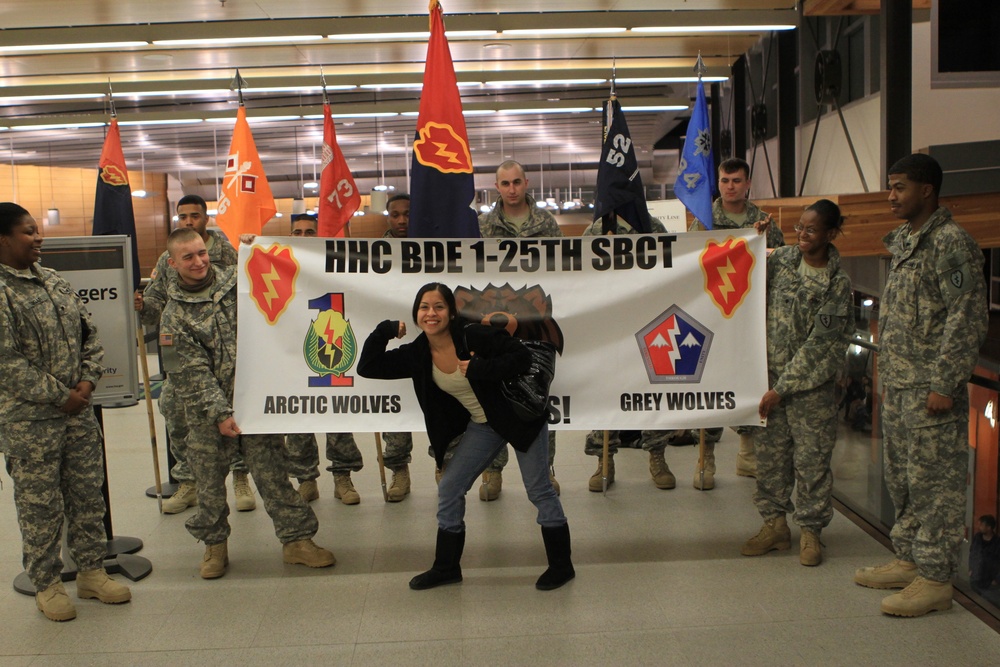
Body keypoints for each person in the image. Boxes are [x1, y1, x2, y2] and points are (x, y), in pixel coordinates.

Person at [358, 282, 574, 591]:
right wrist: (385, 330)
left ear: (452, 312)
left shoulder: (473, 335)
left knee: (538, 489)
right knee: (449, 487)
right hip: (483, 425)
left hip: (519, 417)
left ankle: (562, 566)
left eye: (439, 307)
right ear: (416, 313)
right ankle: (446, 567)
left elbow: (521, 358)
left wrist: (480, 367)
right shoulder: (418, 353)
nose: (431, 313)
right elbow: (368, 367)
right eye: (424, 307)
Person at [854, 153, 988, 617]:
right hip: (901, 387)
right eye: (890, 187)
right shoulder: (909, 242)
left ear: (926, 190)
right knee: (904, 480)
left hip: (932, 390)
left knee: (936, 485)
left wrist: (945, 383)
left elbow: (966, 319)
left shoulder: (951, 244)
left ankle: (936, 579)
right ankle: (911, 559)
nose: (891, 196)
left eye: (899, 187)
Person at [158, 227, 336, 578]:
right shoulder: (173, 315)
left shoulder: (238, 281)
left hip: (255, 402)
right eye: (188, 257)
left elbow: (284, 290)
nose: (198, 262)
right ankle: (214, 547)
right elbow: (189, 373)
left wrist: (261, 249)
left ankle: (297, 541)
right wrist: (220, 413)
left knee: (272, 474)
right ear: (172, 262)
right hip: (206, 413)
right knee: (209, 483)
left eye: (201, 253)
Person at [0, 202, 132, 621]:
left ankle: (92, 572)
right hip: (30, 423)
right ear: (3, 239)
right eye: (28, 231)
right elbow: (6, 361)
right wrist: (61, 396)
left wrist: (88, 381)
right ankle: (48, 584)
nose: (38, 237)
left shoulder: (54, 282)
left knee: (87, 496)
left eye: (37, 230)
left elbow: (89, 334)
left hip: (77, 416)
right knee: (40, 508)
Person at [740, 199, 853, 567]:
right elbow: (744, 268)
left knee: (812, 464)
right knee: (771, 461)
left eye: (812, 230)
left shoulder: (837, 284)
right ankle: (774, 527)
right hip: (769, 383)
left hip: (809, 393)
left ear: (831, 234)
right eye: (800, 228)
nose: (803, 235)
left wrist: (781, 388)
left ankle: (810, 532)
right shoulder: (785, 260)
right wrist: (751, 241)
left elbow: (822, 347)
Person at [280, 210, 414, 504]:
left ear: (321, 234)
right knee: (300, 416)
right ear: (290, 236)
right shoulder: (281, 263)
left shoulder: (336, 263)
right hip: (294, 350)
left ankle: (343, 476)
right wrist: (251, 243)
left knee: (336, 411)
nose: (304, 237)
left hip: (335, 344)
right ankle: (306, 479)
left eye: (310, 232)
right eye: (298, 232)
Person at [135, 194, 255, 514]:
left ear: (206, 218)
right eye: (183, 216)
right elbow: (154, 306)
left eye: (195, 216)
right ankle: (187, 480)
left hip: (228, 351)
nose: (188, 221)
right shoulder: (167, 259)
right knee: (173, 407)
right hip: (185, 353)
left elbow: (251, 286)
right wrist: (142, 306)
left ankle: (240, 476)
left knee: (234, 412)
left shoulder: (225, 252)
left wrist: (255, 248)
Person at [687, 157, 784, 488]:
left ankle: (747, 455)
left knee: (749, 381)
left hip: (749, 317)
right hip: (713, 314)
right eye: (725, 180)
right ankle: (707, 458)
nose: (730, 186)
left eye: (737, 180)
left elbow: (780, 265)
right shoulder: (703, 219)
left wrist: (764, 245)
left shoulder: (764, 222)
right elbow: (688, 265)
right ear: (719, 183)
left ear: (747, 184)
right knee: (711, 383)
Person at [477, 160, 561, 501]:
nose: (512, 189)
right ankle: (492, 473)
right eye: (505, 183)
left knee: (537, 396)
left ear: (526, 183)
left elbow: (562, 272)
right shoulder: (482, 226)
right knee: (493, 398)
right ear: (496, 187)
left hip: (534, 322)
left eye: (516, 182)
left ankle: (544, 470)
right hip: (493, 321)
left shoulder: (547, 224)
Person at [580, 215, 682, 492]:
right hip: (608, 328)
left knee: (653, 391)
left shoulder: (653, 228)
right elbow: (580, 279)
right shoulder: (595, 231)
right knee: (605, 393)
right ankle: (605, 460)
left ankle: (658, 457)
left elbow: (668, 272)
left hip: (648, 322)